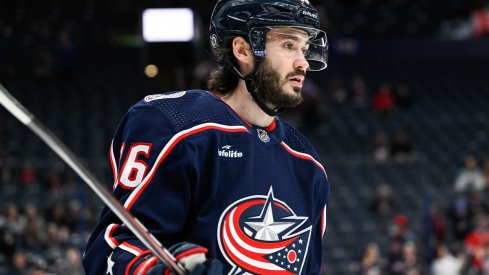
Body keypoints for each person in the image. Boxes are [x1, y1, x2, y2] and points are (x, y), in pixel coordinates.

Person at [82, 0, 330, 274]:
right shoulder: (174, 124)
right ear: (243, 49)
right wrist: (160, 271)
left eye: (305, 49)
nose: (303, 62)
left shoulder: (308, 165)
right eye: (288, 45)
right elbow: (112, 252)